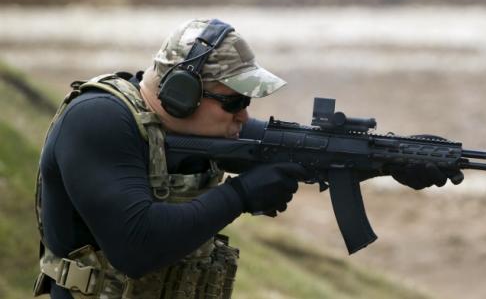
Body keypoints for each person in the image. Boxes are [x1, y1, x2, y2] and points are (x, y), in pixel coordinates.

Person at [34, 18, 458, 299]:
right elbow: (137, 247)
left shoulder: (207, 127)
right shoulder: (98, 121)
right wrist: (241, 194)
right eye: (234, 101)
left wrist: (393, 162)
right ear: (181, 94)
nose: (244, 115)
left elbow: (306, 150)